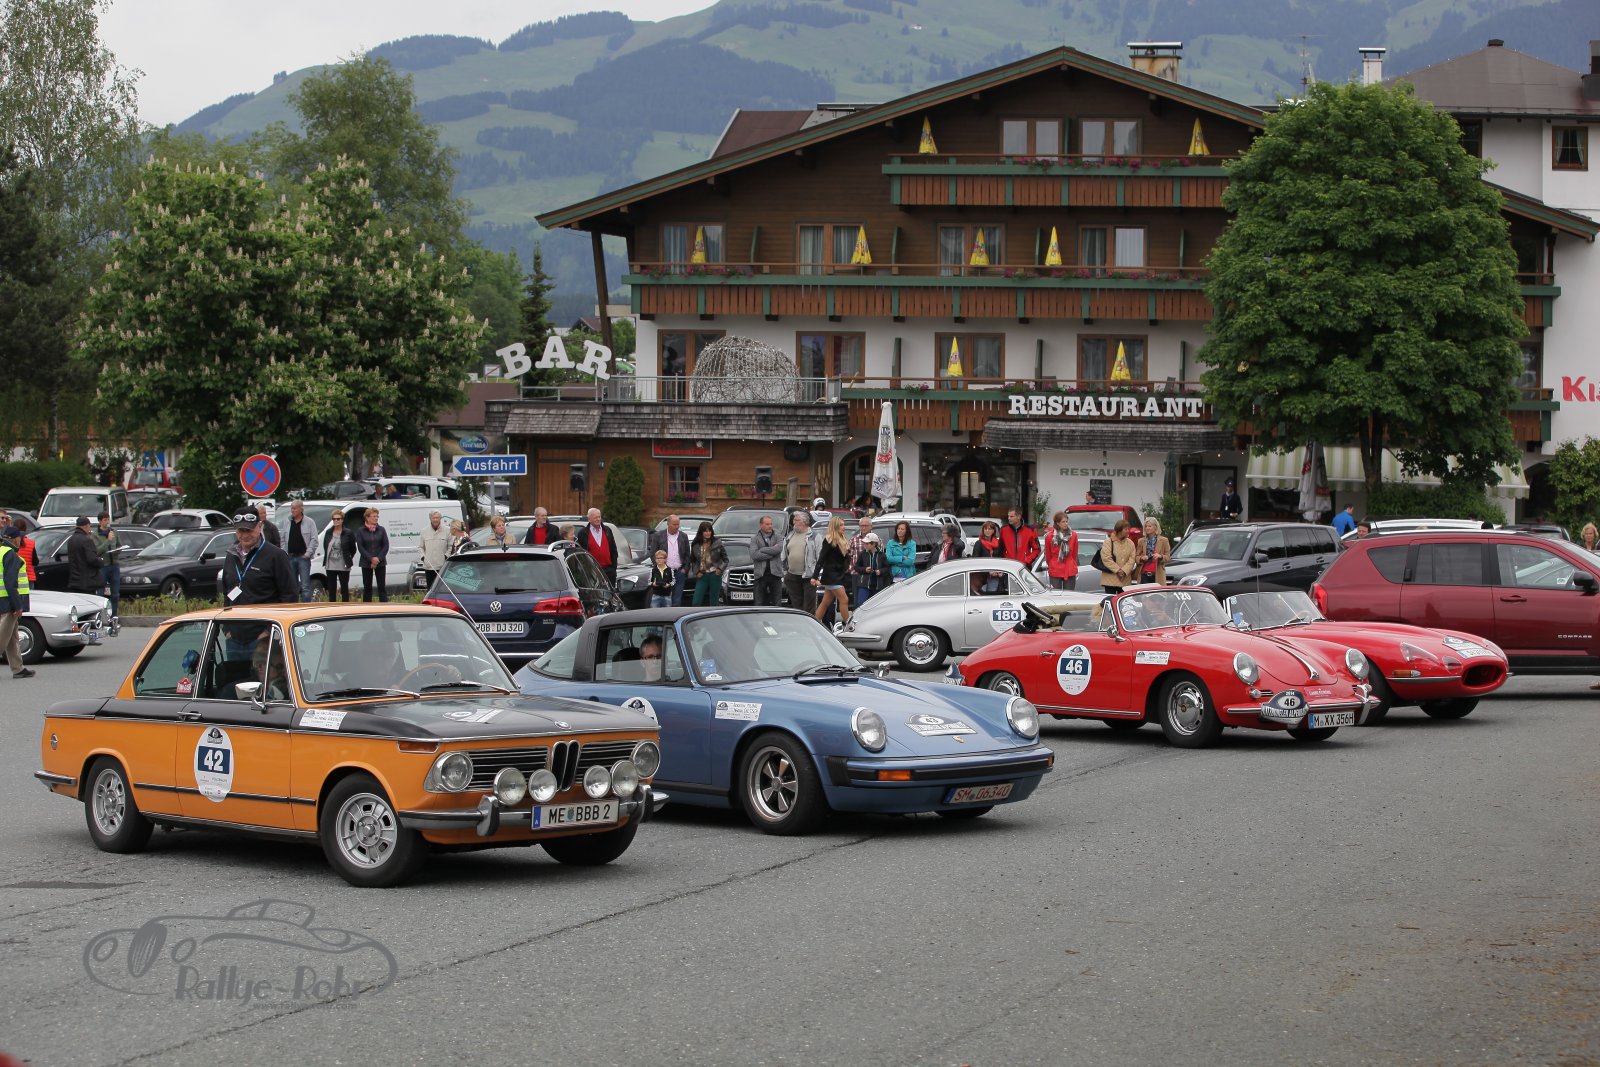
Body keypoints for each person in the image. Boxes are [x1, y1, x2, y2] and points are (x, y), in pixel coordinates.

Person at [220, 511, 297, 605]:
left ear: (260, 526)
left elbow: (289, 595)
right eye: (241, 530)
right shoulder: (231, 555)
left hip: (265, 614)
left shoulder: (276, 556)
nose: (245, 535)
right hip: (236, 613)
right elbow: (227, 592)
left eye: (249, 530)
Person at [1, 526, 34, 679]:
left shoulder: (1, 551)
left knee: (12, 637)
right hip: (8, 601)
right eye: (20, 537)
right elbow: (10, 583)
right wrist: (18, 605)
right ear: (14, 539)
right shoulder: (11, 555)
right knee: (2, 637)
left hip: (3, 599)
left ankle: (17, 668)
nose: (22, 539)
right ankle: (17, 668)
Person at [811, 515, 852, 630]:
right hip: (831, 575)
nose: (844, 527)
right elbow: (821, 559)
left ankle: (814, 624)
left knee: (825, 602)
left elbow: (845, 559)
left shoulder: (843, 539)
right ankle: (848, 626)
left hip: (839, 574)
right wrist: (814, 576)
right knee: (844, 599)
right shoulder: (829, 540)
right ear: (835, 526)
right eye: (841, 525)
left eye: (844, 525)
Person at [649, 514, 691, 606]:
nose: (677, 527)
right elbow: (653, 554)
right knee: (663, 600)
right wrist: (659, 568)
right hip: (664, 573)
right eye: (674, 524)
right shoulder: (658, 536)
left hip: (679, 573)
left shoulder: (683, 536)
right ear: (668, 524)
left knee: (677, 600)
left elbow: (688, 555)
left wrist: (685, 569)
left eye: (678, 524)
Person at [782, 511, 819, 614]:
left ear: (804, 522)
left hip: (809, 576)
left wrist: (816, 575)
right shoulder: (790, 536)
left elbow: (820, 556)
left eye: (796, 520)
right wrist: (785, 573)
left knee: (808, 606)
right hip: (792, 576)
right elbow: (783, 555)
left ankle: (808, 623)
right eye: (794, 520)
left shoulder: (815, 536)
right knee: (796, 605)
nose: (793, 522)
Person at [283, 500, 318, 603]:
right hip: (290, 557)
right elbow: (283, 538)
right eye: (291, 508)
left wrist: (308, 554)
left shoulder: (309, 522)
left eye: (294, 508)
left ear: (301, 509)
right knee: (292, 585)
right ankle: (293, 606)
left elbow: (314, 539)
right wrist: (284, 553)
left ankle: (306, 606)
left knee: (305, 586)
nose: (292, 510)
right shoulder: (287, 521)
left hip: (303, 558)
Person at [685, 521, 727, 606]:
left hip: (715, 575)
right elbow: (693, 561)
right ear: (701, 532)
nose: (708, 533)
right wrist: (697, 572)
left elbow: (726, 559)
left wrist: (720, 569)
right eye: (705, 531)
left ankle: (713, 615)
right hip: (702, 575)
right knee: (696, 602)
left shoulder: (717, 542)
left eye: (709, 531)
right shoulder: (695, 544)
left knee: (714, 602)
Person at [748, 514, 784, 606]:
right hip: (761, 575)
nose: (770, 526)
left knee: (777, 603)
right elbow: (754, 555)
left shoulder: (778, 536)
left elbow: (778, 549)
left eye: (771, 524)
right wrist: (772, 554)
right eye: (767, 524)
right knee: (759, 602)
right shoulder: (754, 539)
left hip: (775, 574)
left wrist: (762, 549)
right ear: (761, 525)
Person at [92, 512, 122, 619]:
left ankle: (114, 616)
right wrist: (108, 541)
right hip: (103, 566)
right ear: (100, 521)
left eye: (108, 519)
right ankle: (100, 616)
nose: (107, 522)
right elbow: (97, 551)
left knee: (115, 593)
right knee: (100, 593)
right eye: (105, 520)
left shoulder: (114, 532)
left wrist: (118, 550)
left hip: (114, 565)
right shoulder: (95, 534)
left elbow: (119, 545)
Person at [578, 507, 620, 586]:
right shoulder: (583, 533)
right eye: (595, 517)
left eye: (599, 517)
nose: (598, 519)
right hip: (592, 571)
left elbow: (613, 549)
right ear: (589, 519)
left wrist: (613, 568)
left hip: (609, 570)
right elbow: (581, 553)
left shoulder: (607, 530)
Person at [356, 509, 390, 603]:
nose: (376, 518)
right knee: (367, 587)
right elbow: (360, 547)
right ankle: (367, 607)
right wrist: (371, 559)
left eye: (377, 516)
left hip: (380, 562)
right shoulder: (361, 531)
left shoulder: (381, 529)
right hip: (366, 562)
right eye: (374, 516)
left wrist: (378, 558)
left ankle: (384, 607)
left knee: (381, 587)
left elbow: (386, 545)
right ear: (367, 518)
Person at [322, 508, 356, 602]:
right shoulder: (328, 532)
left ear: (342, 520)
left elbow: (353, 548)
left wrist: (348, 558)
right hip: (330, 565)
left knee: (344, 588)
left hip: (343, 565)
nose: (336, 521)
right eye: (334, 519)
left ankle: (345, 607)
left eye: (338, 519)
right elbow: (325, 546)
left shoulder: (348, 533)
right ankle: (332, 607)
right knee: (332, 589)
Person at [1098, 519, 1138, 595]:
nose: (1128, 531)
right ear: (1119, 530)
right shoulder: (1108, 542)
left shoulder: (1130, 543)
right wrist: (1118, 571)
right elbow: (1106, 558)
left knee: (1124, 601)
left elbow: (1132, 559)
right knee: (1111, 600)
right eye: (1125, 529)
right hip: (1110, 580)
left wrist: (1124, 571)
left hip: (1125, 580)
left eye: (1128, 529)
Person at [65, 516, 103, 596]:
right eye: (89, 526)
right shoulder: (86, 540)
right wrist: (100, 561)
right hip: (87, 581)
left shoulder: (71, 539)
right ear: (86, 525)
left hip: (74, 580)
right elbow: (92, 559)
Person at [1042, 511, 1078, 590]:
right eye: (1063, 522)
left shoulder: (1073, 535)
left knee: (1069, 594)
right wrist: (1052, 564)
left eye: (1066, 521)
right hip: (1055, 568)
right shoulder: (1049, 536)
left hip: (1069, 569)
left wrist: (1072, 564)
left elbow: (1074, 554)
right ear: (1057, 523)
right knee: (1056, 594)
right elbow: (1048, 555)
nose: (1066, 523)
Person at [853, 532, 887, 607]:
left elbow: (887, 568)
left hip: (877, 586)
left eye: (867, 543)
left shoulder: (882, 555)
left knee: (875, 606)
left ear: (874, 544)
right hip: (864, 584)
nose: (864, 545)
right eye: (864, 543)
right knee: (861, 604)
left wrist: (880, 571)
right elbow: (856, 567)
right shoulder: (862, 554)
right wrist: (865, 569)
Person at [419, 510, 450, 587]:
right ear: (430, 519)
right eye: (433, 518)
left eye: (437, 517)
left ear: (440, 518)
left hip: (442, 567)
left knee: (442, 588)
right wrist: (423, 558)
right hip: (429, 567)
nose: (435, 520)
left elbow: (451, 546)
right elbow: (420, 547)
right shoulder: (424, 531)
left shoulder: (447, 530)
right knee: (430, 589)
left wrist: (446, 556)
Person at [1138, 517, 1171, 585]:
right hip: (1144, 574)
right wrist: (1141, 558)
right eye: (1146, 526)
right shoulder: (1141, 541)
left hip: (1157, 575)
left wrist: (1160, 556)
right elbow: (1136, 557)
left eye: (1149, 526)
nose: (1147, 528)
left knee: (1157, 592)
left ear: (1155, 527)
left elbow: (1168, 557)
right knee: (1144, 592)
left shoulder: (1164, 540)